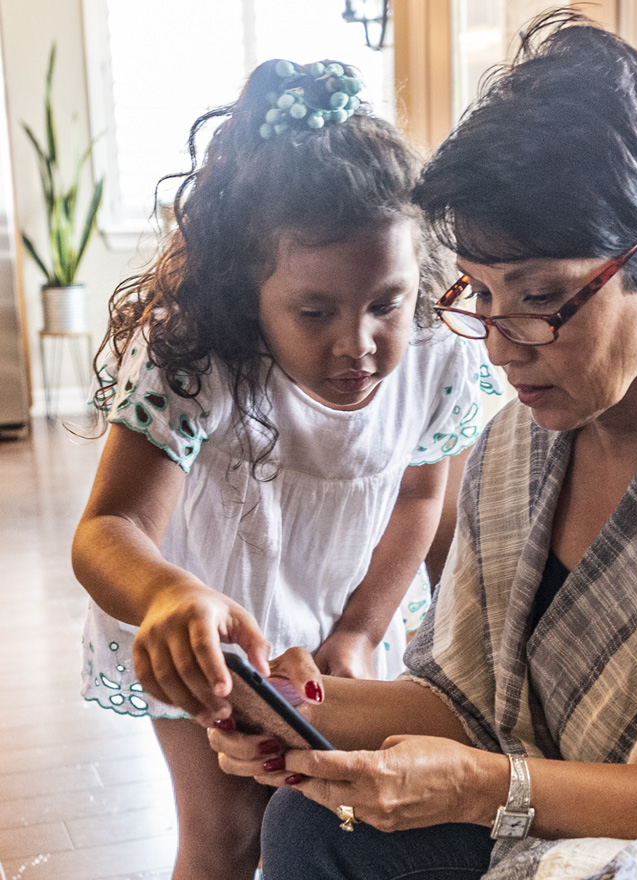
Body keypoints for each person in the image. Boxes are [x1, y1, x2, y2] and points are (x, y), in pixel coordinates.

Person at [207, 11, 637, 880]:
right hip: (544, 807)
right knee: (305, 821)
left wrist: (489, 789)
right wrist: (308, 707)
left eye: (541, 297)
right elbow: (478, 709)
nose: (499, 343)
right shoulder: (517, 445)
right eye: (479, 295)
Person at [71, 57, 498, 880]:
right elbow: (109, 529)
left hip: (344, 608)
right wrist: (169, 595)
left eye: (387, 302)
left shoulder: (438, 349)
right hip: (202, 630)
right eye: (315, 312)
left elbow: (420, 493)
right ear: (247, 293)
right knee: (229, 836)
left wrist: (362, 631)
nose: (360, 344)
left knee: (322, 816)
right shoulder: (196, 350)